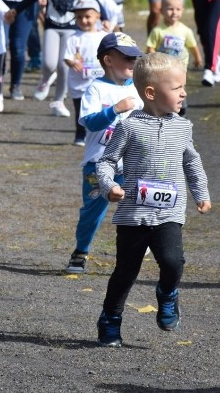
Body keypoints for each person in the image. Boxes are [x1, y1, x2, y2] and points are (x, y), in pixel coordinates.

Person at [95, 52, 211, 347]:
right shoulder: (128, 127)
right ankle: (110, 319)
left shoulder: (183, 127)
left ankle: (168, 294)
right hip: (134, 214)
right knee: (126, 272)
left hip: (169, 213)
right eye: (177, 88)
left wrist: (201, 193)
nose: (184, 92)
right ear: (151, 93)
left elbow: (192, 163)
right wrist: (109, 186)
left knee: (173, 262)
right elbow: (107, 161)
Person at [65, 31, 143, 274]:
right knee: (93, 212)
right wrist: (115, 110)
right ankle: (81, 251)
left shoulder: (140, 90)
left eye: (134, 58)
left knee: (139, 207)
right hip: (99, 164)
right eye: (126, 57)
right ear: (108, 60)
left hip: (132, 164)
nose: (132, 62)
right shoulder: (95, 89)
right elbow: (89, 122)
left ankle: (137, 250)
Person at [9, 0, 95, 117]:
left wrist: (104, 18)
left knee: (64, 66)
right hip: (52, 26)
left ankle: (59, 101)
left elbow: (93, 0)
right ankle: (45, 79)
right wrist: (16, 10)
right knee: (48, 63)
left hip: (71, 29)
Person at [146, 0, 202, 116]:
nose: (174, 12)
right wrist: (154, 59)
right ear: (162, 10)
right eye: (170, 9)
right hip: (163, 69)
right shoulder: (158, 31)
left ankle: (181, 110)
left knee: (179, 88)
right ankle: (163, 110)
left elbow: (192, 46)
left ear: (182, 10)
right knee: (164, 89)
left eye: (178, 9)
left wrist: (198, 59)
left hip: (180, 69)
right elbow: (150, 47)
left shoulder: (185, 30)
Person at [63, 0, 108, 145]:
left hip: (100, 83)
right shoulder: (73, 38)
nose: (83, 20)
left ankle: (100, 135)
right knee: (80, 111)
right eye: (79, 17)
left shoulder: (104, 37)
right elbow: (67, 56)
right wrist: (72, 63)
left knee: (100, 109)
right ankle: (80, 134)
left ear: (97, 16)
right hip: (79, 83)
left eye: (87, 16)